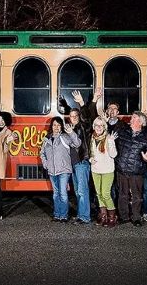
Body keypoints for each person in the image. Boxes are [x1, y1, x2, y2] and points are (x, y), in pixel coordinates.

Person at [114, 111, 147, 227]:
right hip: (122, 169)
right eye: (132, 117)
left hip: (136, 171)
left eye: (134, 118)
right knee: (122, 194)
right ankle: (124, 216)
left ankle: (136, 217)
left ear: (141, 122)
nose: (131, 119)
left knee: (137, 196)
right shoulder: (122, 132)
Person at [39, 117, 81, 222]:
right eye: (54, 125)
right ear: (51, 127)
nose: (56, 127)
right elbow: (42, 153)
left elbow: (77, 143)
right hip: (52, 171)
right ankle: (57, 215)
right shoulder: (46, 139)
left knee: (62, 193)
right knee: (55, 194)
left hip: (64, 170)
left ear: (61, 126)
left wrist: (71, 133)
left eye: (58, 125)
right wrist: (46, 163)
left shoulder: (65, 137)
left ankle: (64, 215)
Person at [65, 90, 93, 224]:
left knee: (82, 191)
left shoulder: (84, 127)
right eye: (71, 116)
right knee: (77, 191)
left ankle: (85, 217)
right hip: (73, 164)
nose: (74, 117)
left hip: (82, 162)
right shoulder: (69, 128)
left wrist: (81, 103)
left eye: (76, 115)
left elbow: (87, 118)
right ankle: (81, 214)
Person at [89, 117, 118, 227]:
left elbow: (113, 154)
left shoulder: (108, 138)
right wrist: (90, 159)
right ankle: (103, 216)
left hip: (107, 170)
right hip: (95, 169)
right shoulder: (92, 137)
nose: (99, 127)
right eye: (97, 125)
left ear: (104, 127)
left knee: (105, 194)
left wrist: (111, 142)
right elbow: (91, 153)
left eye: (101, 125)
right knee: (99, 193)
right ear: (94, 126)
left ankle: (112, 216)